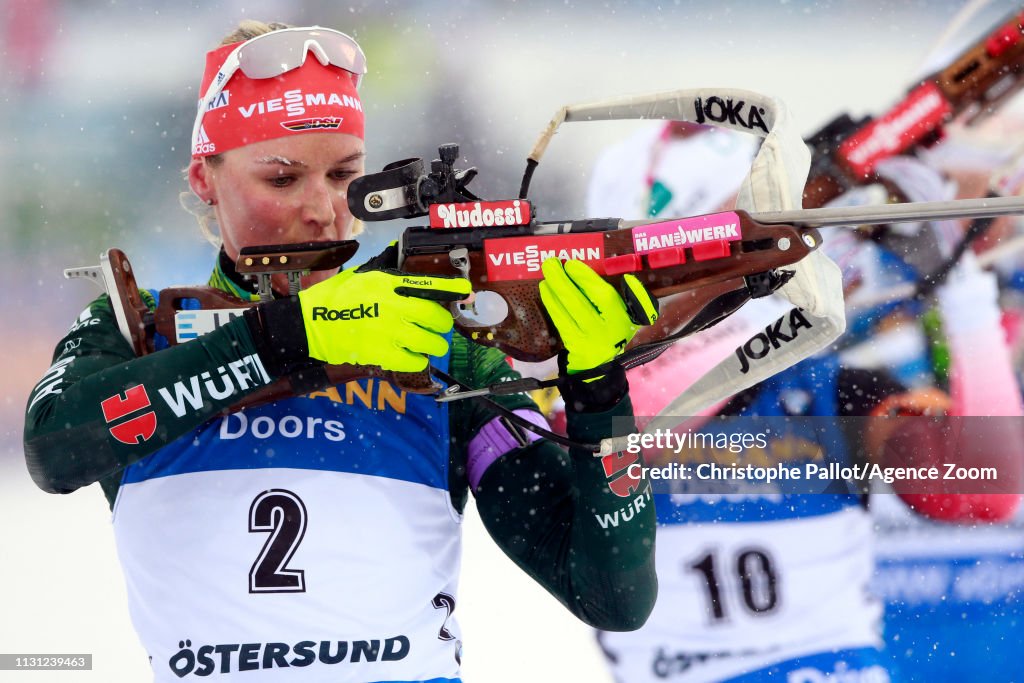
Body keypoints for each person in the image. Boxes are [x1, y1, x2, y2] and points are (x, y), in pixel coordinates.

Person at [22, 21, 658, 683]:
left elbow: (612, 594)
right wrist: (285, 340)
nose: (323, 209)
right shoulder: (139, 330)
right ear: (204, 178)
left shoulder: (443, 342)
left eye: (345, 175)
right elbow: (55, 447)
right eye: (282, 178)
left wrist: (599, 393)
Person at [583, 121, 1022, 683]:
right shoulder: (587, 397)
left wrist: (963, 293)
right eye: (732, 254)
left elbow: (987, 492)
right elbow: (649, 402)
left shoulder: (827, 391)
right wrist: (764, 304)